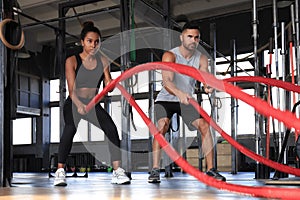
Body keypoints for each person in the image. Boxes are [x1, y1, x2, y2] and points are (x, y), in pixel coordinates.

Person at [54, 21, 130, 186]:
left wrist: (111, 83)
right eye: (90, 41)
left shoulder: (103, 61)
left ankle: (117, 171)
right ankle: (60, 171)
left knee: (111, 129)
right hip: (75, 103)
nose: (93, 45)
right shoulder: (72, 61)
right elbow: (72, 90)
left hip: (93, 105)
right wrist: (79, 105)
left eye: (96, 41)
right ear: (82, 42)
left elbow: (107, 86)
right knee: (70, 128)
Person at [148, 21, 226, 183]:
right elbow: (167, 82)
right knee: (162, 126)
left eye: (196, 38)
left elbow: (204, 75)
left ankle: (211, 169)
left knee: (205, 126)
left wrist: (208, 85)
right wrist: (179, 93)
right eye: (189, 37)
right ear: (181, 37)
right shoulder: (170, 55)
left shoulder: (201, 58)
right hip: (166, 99)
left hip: (186, 100)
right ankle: (155, 169)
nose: (193, 40)